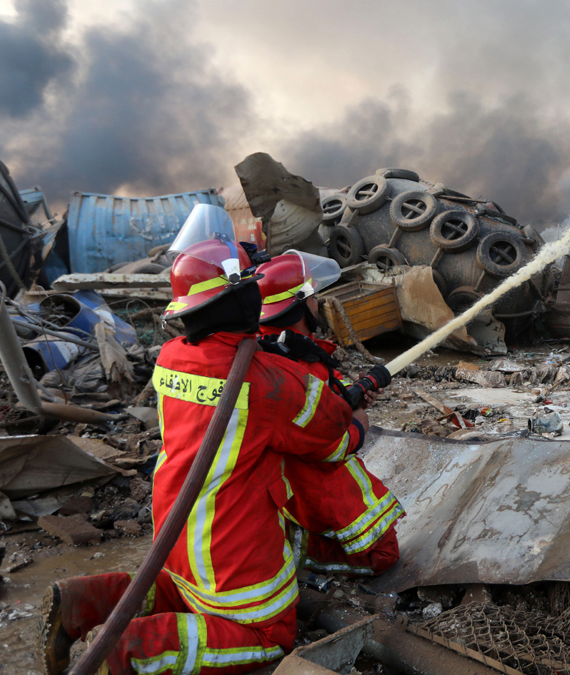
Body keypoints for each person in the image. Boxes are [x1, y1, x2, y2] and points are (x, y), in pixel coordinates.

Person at [40, 209, 363, 674]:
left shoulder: (172, 357)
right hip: (233, 552)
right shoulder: (268, 382)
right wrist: (357, 419)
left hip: (176, 530)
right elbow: (329, 429)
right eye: (249, 286)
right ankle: (128, 651)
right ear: (240, 299)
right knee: (269, 636)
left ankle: (82, 601)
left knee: (176, 592)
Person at [255, 250, 403, 577]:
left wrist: (352, 395)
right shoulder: (288, 371)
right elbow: (323, 447)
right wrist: (358, 428)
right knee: (384, 555)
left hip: (291, 480)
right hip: (310, 479)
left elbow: (325, 388)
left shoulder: (285, 349)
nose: (318, 302)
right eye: (312, 296)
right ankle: (295, 549)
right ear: (297, 305)